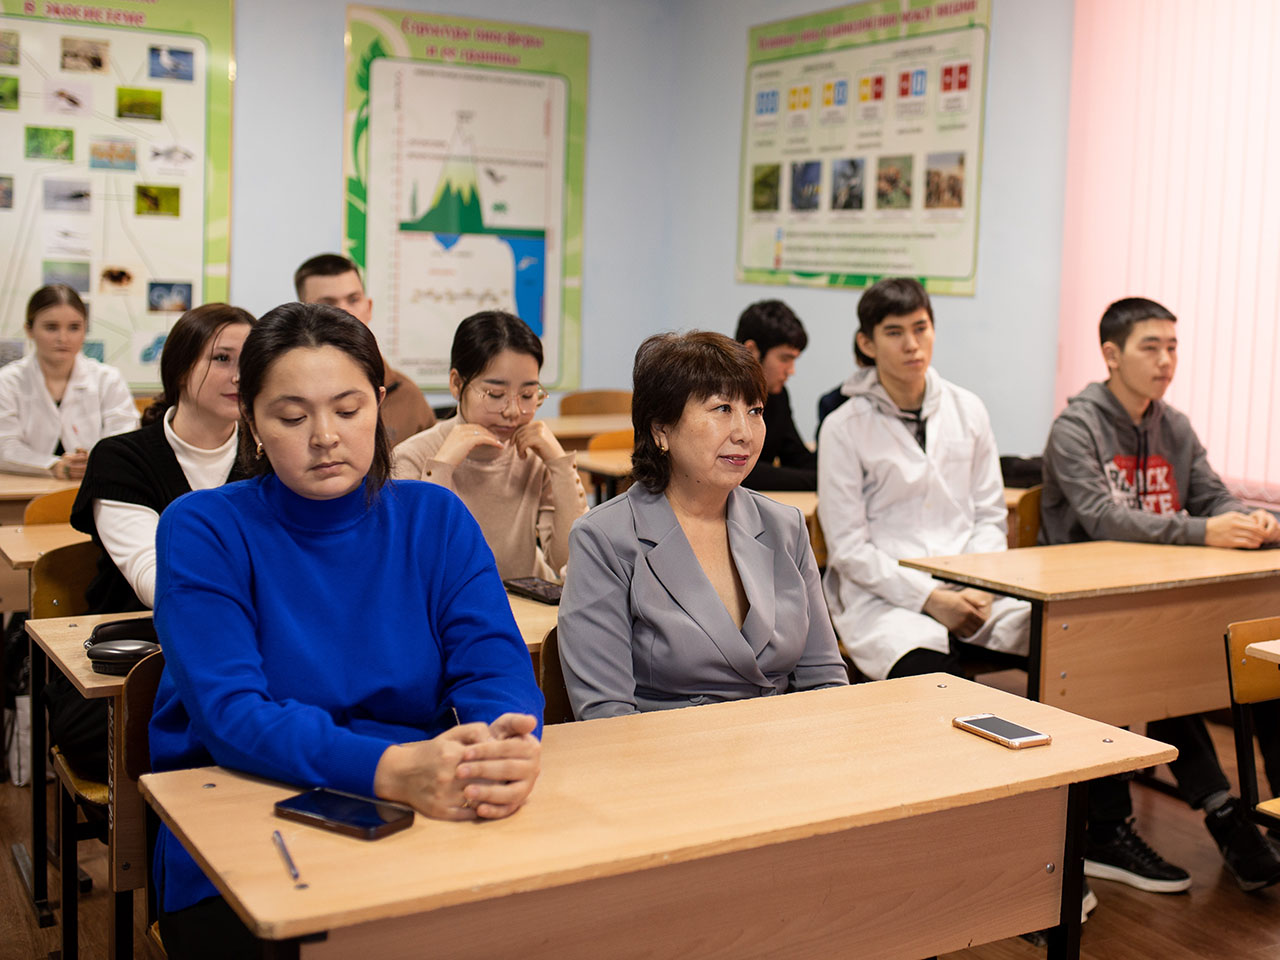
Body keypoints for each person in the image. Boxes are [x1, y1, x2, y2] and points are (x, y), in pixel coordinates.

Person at [149, 303, 543, 954]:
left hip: (424, 803)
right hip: (248, 811)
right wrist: (390, 769)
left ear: (379, 405)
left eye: (349, 409)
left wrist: (502, 745)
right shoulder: (203, 528)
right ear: (251, 420)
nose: (325, 436)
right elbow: (232, 716)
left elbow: (494, 666)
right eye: (292, 417)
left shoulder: (434, 516)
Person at [1041, 295, 1280, 894]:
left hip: (1154, 604)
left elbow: (1212, 496)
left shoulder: (1174, 425)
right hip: (1085, 610)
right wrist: (1203, 531)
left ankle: (1247, 813)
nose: (1166, 360)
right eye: (1151, 347)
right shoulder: (1076, 427)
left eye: (1173, 347)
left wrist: (1249, 519)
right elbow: (1101, 517)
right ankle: (1218, 816)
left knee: (1247, 656)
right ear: (1111, 354)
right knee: (1164, 667)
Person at [558, 330, 848, 720]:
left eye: (755, 411)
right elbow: (606, 714)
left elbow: (825, 680)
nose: (744, 433)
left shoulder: (785, 525)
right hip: (669, 751)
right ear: (661, 429)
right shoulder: (604, 538)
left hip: (784, 744)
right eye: (722, 409)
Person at [42, 305, 255, 783]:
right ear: (179, 369)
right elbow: (153, 579)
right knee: (120, 741)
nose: (239, 375)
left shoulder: (267, 455)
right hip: (141, 650)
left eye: (250, 360)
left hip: (246, 646)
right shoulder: (123, 458)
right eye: (221, 358)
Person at [817, 277, 1030, 683]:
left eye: (920, 328)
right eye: (894, 333)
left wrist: (979, 587)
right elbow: (849, 548)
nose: (912, 344)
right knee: (934, 685)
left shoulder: (968, 409)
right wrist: (929, 597)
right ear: (867, 343)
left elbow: (989, 516)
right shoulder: (843, 427)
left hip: (973, 591)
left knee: (1061, 644)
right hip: (888, 603)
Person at [392, 310, 587, 581]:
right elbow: (415, 563)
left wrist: (560, 466)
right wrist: (442, 469)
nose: (513, 411)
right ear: (457, 384)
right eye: (495, 395)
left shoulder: (534, 456)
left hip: (524, 603)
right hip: (449, 604)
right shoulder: (411, 457)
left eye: (528, 395)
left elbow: (567, 560)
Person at [293, 253, 434, 445]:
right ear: (302, 314)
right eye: (328, 304)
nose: (345, 312)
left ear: (369, 307)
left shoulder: (408, 397)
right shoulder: (288, 393)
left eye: (353, 299)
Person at [0, 284, 138, 477]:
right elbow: (4, 446)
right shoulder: (7, 381)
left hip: (97, 482)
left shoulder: (108, 379)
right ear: (29, 330)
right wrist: (52, 465)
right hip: (26, 486)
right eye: (51, 327)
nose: (63, 338)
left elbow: (125, 436)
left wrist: (96, 459)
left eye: (74, 327)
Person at [734, 299, 817, 491]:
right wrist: (817, 480)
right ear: (752, 351)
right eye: (785, 359)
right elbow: (742, 471)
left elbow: (796, 456)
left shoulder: (777, 396)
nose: (791, 371)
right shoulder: (718, 397)